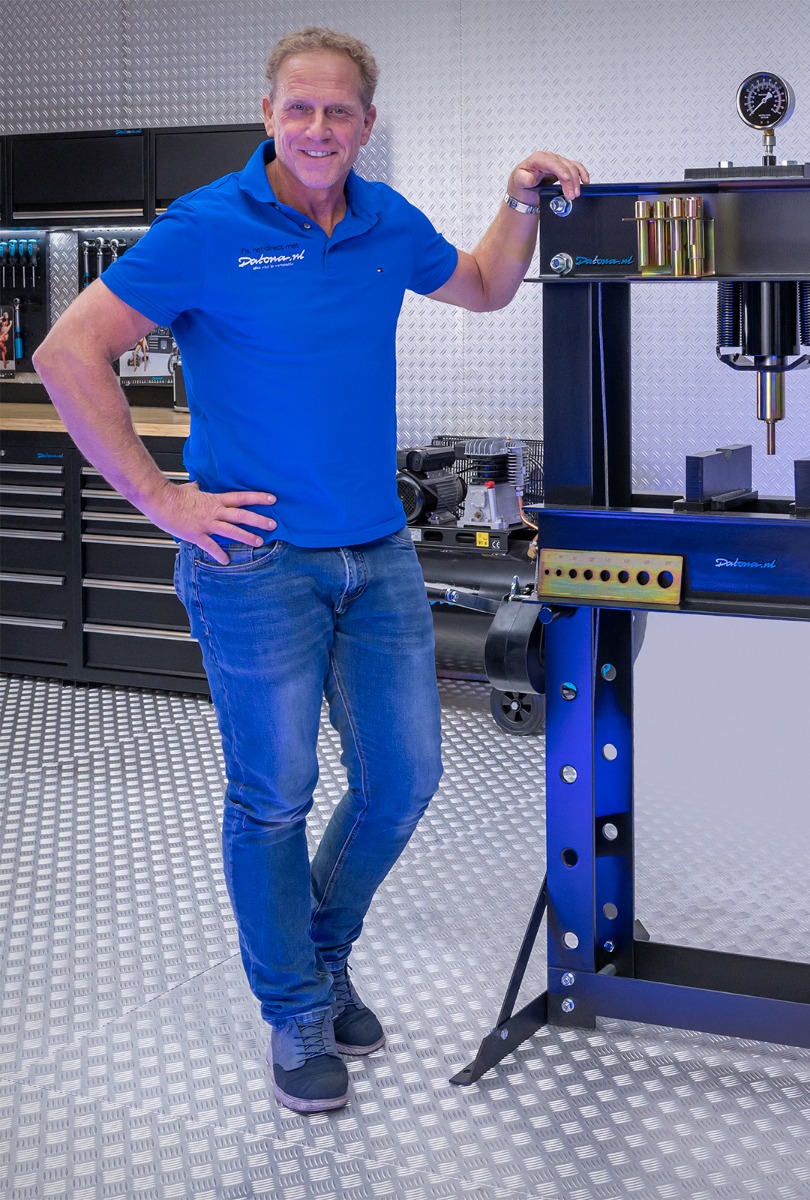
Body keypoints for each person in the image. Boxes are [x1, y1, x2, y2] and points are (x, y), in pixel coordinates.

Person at [33, 26, 588, 1115]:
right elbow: (68, 351)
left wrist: (519, 199)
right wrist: (163, 501)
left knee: (402, 780)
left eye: (339, 110)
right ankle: (294, 1008)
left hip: (375, 551)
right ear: (269, 114)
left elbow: (484, 285)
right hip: (254, 565)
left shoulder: (386, 222)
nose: (319, 128)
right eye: (300, 107)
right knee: (274, 797)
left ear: (366, 123)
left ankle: (321, 958)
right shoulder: (206, 227)